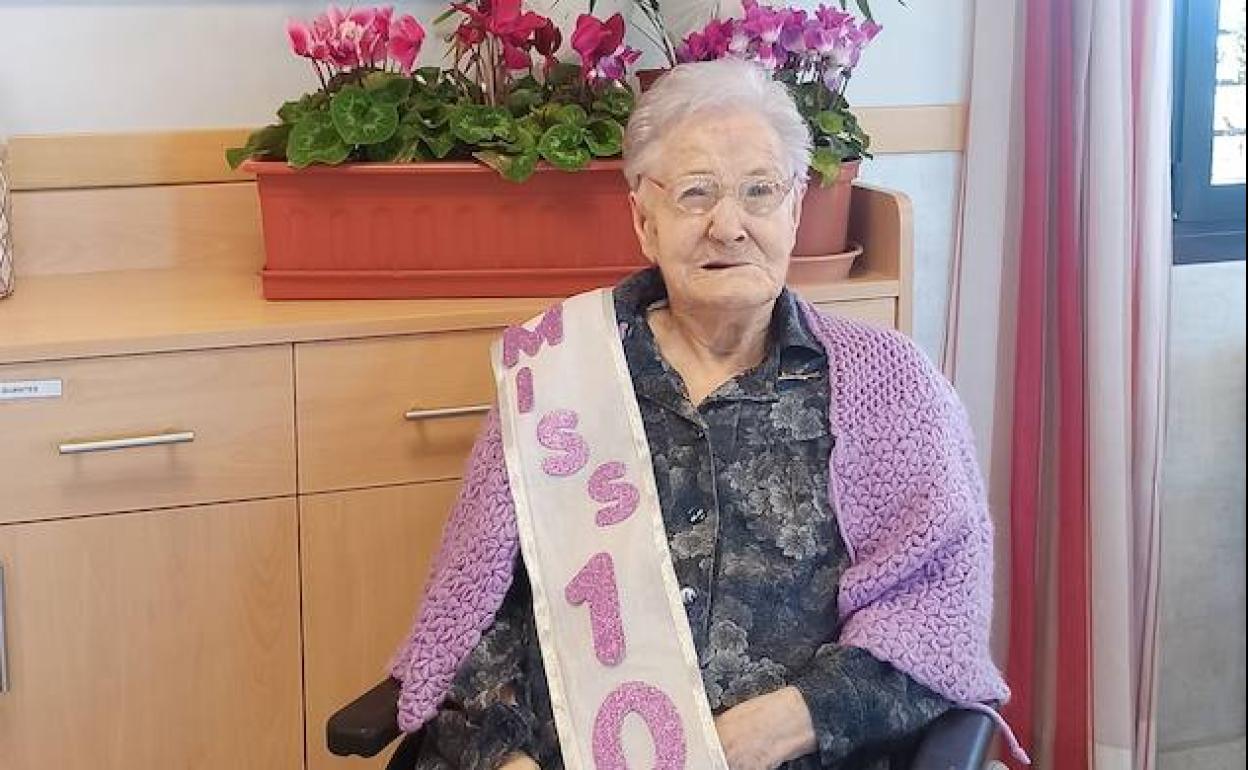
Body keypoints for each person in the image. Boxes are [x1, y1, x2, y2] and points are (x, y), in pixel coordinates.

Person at [388, 58, 1014, 770]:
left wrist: (785, 723)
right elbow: (478, 610)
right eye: (695, 194)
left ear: (794, 212)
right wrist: (505, 759)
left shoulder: (891, 387)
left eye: (758, 191)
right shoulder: (556, 372)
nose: (728, 225)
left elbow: (934, 614)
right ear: (643, 220)